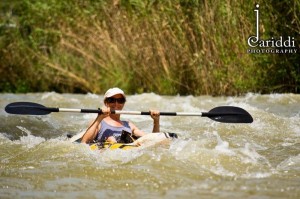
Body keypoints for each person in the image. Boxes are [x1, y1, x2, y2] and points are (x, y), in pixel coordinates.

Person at [81, 87, 160, 144]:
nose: (116, 104)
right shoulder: (98, 122)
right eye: (112, 100)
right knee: (111, 139)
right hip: (106, 154)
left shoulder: (129, 125)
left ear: (123, 103)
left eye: (120, 101)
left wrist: (156, 120)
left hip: (125, 153)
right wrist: (100, 117)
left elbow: (152, 140)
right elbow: (84, 142)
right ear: (106, 103)